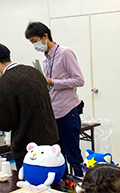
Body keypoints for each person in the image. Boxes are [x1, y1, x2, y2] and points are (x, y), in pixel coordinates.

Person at [0, 43, 59, 170]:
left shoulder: (3, 84)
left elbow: (6, 124)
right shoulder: (35, 72)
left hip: (28, 149)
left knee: (30, 186)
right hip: (51, 141)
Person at [25, 22, 85, 177]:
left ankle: (81, 183)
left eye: (34, 41)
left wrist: (53, 82)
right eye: (31, 42)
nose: (34, 45)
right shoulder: (46, 59)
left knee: (73, 155)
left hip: (67, 111)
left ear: (45, 36)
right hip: (53, 114)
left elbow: (79, 80)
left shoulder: (65, 53)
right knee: (57, 156)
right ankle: (62, 184)